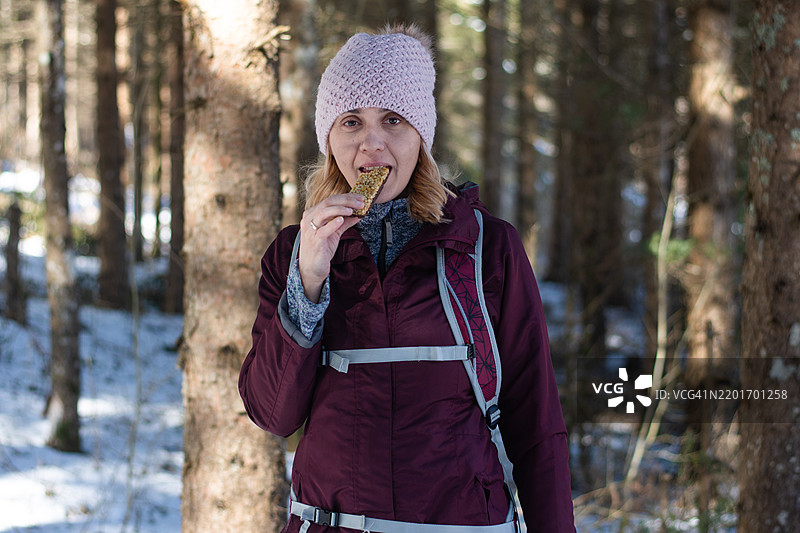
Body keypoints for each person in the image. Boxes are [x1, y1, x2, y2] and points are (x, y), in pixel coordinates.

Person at [239, 24, 575, 533]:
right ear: (329, 137)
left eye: (393, 120)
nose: (372, 145)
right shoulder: (293, 251)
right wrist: (308, 278)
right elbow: (272, 414)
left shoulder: (488, 247)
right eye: (351, 121)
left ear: (422, 135)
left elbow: (537, 425)